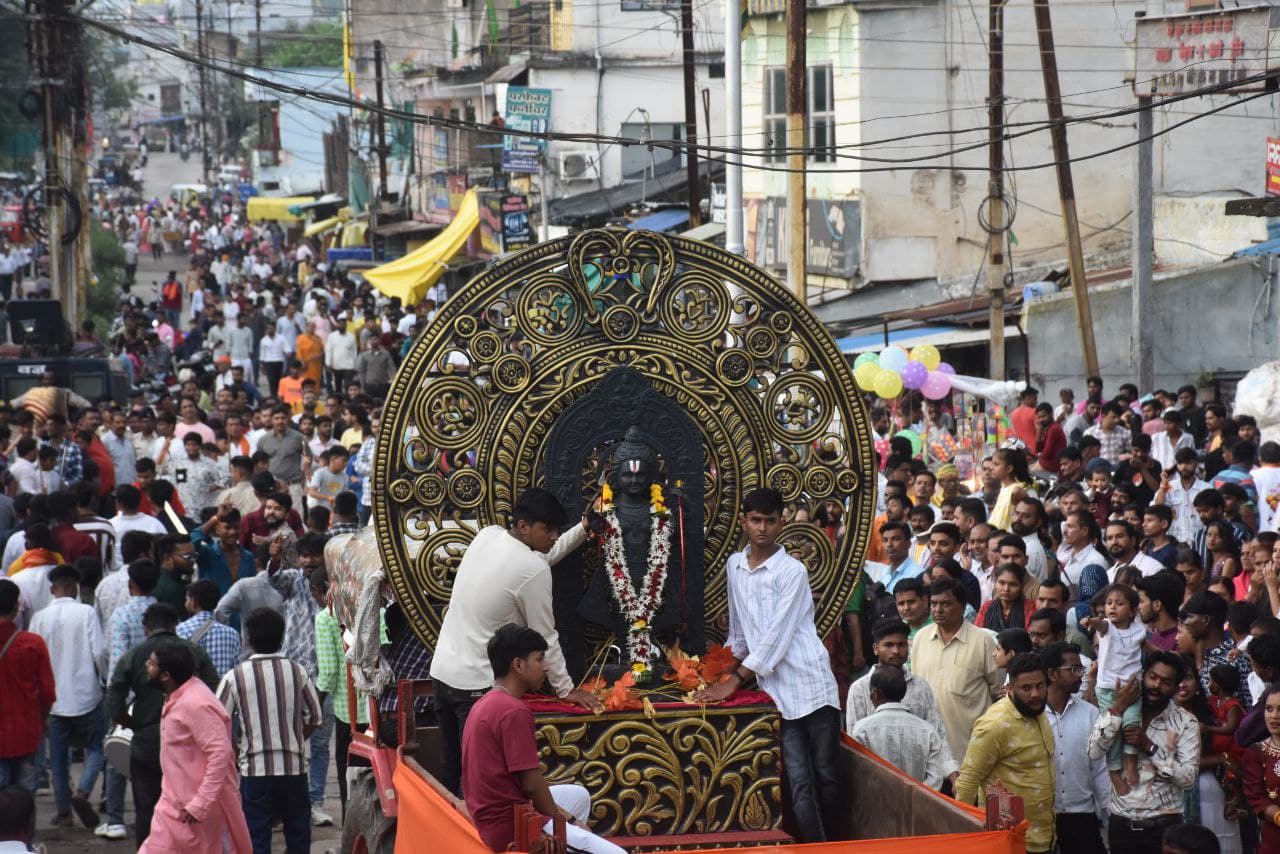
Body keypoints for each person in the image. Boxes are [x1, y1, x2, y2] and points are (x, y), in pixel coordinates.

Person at [693, 488, 842, 843]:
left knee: (827, 776)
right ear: (743, 521)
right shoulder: (735, 565)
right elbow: (740, 633)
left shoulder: (793, 571)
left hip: (811, 684)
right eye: (755, 520)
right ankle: (814, 848)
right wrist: (717, 671)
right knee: (798, 780)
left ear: (781, 523)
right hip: (775, 690)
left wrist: (735, 680)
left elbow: (777, 636)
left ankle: (839, 845)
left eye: (769, 521)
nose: (762, 528)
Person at [429, 488, 599, 797]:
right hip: (476, 688)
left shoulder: (488, 535)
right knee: (479, 788)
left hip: (442, 672)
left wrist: (583, 529)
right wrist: (566, 690)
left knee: (451, 777)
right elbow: (547, 635)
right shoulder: (532, 570)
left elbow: (538, 559)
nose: (553, 536)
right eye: (548, 529)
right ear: (524, 526)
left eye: (556, 530)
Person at [461, 624, 625, 854]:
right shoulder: (513, 710)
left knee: (579, 796)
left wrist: (568, 818)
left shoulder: (484, 703)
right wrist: (564, 822)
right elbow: (531, 783)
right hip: (511, 826)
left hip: (489, 814)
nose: (546, 667)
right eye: (539, 659)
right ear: (518, 665)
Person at [105, 603, 219, 847]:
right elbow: (213, 689)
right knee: (187, 809)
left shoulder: (134, 655)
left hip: (146, 745)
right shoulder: (193, 651)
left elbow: (113, 700)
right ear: (175, 625)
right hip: (189, 746)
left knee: (147, 811)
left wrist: (133, 723)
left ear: (146, 629)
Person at [217, 608, 322, 854]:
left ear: (248, 640)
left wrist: (236, 748)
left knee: (256, 838)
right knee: (298, 836)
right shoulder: (298, 671)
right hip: (294, 769)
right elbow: (315, 717)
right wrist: (295, 738)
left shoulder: (235, 677)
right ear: (282, 638)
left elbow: (217, 721)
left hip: (255, 771)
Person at [138, 641, 251, 854]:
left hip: (199, 812)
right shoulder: (180, 695)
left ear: (165, 676)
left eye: (151, 663)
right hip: (173, 806)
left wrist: (201, 802)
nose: (146, 665)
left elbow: (220, 753)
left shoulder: (195, 703)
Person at [1087, 651, 1200, 854]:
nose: (1156, 685)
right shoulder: (1120, 707)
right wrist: (1118, 708)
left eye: (1166, 682)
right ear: (1143, 675)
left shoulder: (1186, 722)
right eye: (1153, 677)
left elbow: (1188, 780)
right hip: (1121, 826)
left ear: (1176, 686)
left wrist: (1149, 747)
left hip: (1165, 829)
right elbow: (1093, 752)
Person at [29, 564, 106, 830]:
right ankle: (83, 791)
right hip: (87, 694)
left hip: (54, 700)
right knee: (98, 747)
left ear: (53, 589)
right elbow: (99, 652)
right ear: (75, 587)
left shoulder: (39, 618)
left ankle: (63, 812)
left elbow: (34, 659)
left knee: (59, 759)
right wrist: (103, 680)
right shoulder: (86, 612)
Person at [954, 653, 1056, 853]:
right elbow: (967, 782)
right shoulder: (994, 725)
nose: (1035, 693)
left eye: (1039, 686)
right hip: (1009, 842)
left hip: (1045, 836)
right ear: (1010, 688)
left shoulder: (1038, 711)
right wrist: (962, 841)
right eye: (1026, 688)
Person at [844, 618, 957, 782]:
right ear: (876, 649)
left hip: (919, 786)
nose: (896, 651)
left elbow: (937, 737)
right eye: (888, 645)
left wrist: (953, 776)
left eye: (901, 645)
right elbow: (856, 746)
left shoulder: (921, 687)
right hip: (876, 784)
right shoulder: (860, 689)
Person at [905, 577, 1004, 763]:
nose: (938, 609)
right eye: (934, 603)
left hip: (970, 750)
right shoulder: (920, 638)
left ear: (962, 606)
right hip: (931, 751)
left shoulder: (983, 641)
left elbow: (996, 689)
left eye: (945, 604)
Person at [1042, 641, 1108, 854]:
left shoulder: (1090, 714)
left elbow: (1099, 768)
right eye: (1073, 669)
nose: (1081, 674)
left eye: (1081, 668)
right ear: (1052, 674)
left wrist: (1110, 813)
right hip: (1043, 816)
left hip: (1082, 815)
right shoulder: (1033, 717)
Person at [1082, 583, 1147, 794]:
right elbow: (1100, 625)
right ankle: (1114, 771)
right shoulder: (1107, 627)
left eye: (1119, 604)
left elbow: (1147, 647)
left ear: (1132, 610)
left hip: (1132, 687)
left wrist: (1164, 655)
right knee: (1112, 731)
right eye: (1109, 603)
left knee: (1131, 725)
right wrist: (1092, 621)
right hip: (1107, 688)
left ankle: (1130, 759)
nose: (1112, 607)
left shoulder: (1139, 630)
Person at [850, 665, 951, 789]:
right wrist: (912, 798)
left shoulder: (862, 730)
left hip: (876, 804)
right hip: (916, 805)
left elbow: (858, 777)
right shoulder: (928, 732)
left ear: (874, 694)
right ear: (903, 694)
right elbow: (935, 779)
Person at [0, 578, 55, 792]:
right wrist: (41, 719)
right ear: (16, 607)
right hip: (26, 732)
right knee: (23, 803)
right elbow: (48, 692)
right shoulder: (33, 643)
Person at [177, 578, 241, 677]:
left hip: (195, 692)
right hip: (222, 691)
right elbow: (236, 671)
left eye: (187, 600)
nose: (185, 604)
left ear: (194, 602)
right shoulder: (233, 634)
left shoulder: (181, 629)